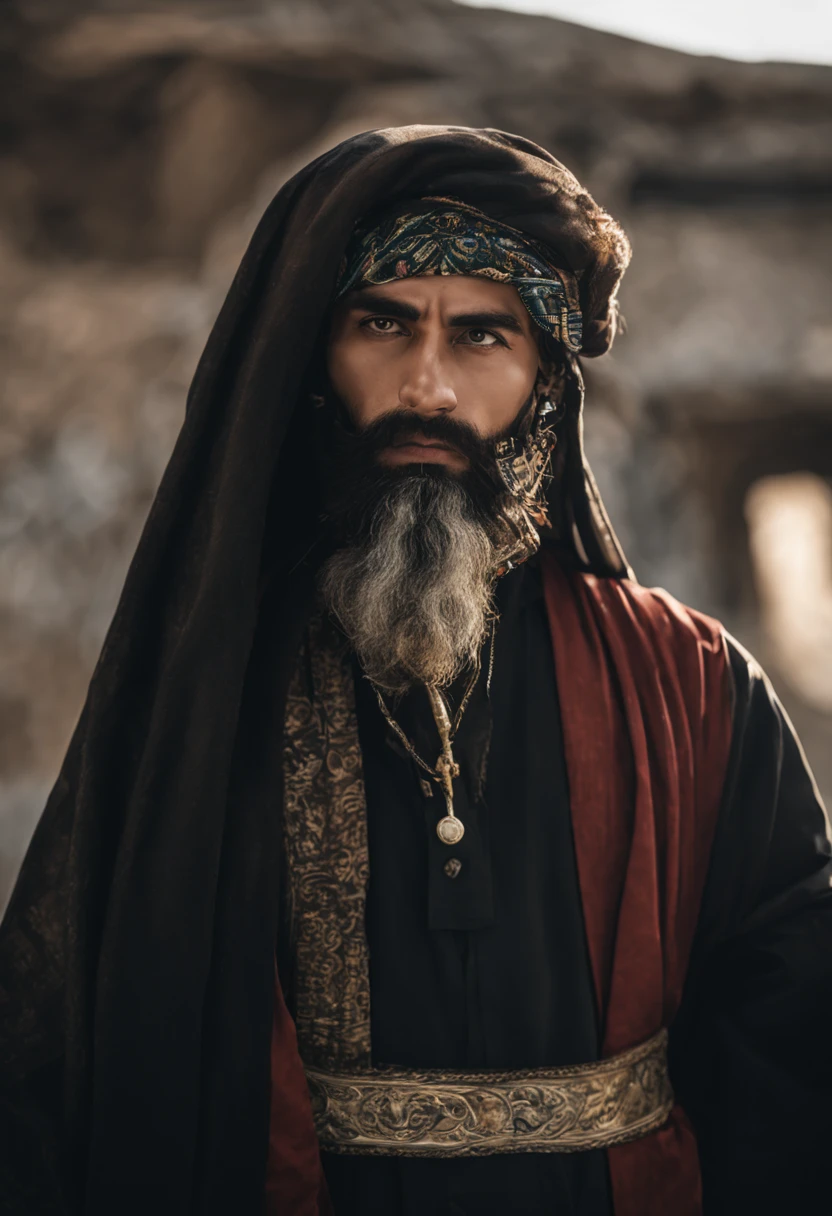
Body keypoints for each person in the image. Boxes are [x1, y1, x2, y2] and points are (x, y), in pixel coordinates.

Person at [0, 125, 830, 1216]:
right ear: (311, 359)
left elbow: (791, 1024)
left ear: (543, 384)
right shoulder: (214, 687)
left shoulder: (686, 680)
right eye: (381, 325)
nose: (427, 385)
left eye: (483, 335)